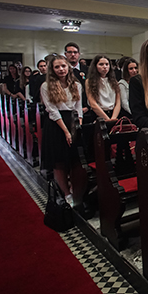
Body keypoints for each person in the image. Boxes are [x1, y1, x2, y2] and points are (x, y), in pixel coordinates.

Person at [40, 55, 83, 207]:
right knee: (59, 161)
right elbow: (52, 110)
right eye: (57, 67)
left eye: (63, 66)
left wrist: (77, 127)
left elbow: (78, 108)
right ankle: (66, 193)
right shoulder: (46, 86)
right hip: (56, 124)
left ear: (68, 67)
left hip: (72, 121)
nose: (61, 69)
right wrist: (66, 131)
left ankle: (75, 189)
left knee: (75, 160)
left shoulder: (76, 85)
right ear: (52, 69)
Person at [84, 55, 120, 124]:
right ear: (95, 66)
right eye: (101, 64)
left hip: (113, 114)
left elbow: (118, 103)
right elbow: (93, 104)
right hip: (98, 115)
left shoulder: (114, 81)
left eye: (107, 64)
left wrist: (113, 118)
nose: (105, 67)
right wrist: (107, 119)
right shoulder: (89, 81)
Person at [65, 42, 89, 113]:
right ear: (65, 54)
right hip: (68, 107)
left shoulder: (87, 70)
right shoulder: (63, 70)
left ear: (79, 54)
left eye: (75, 52)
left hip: (86, 107)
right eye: (70, 52)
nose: (73, 55)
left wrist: (88, 106)